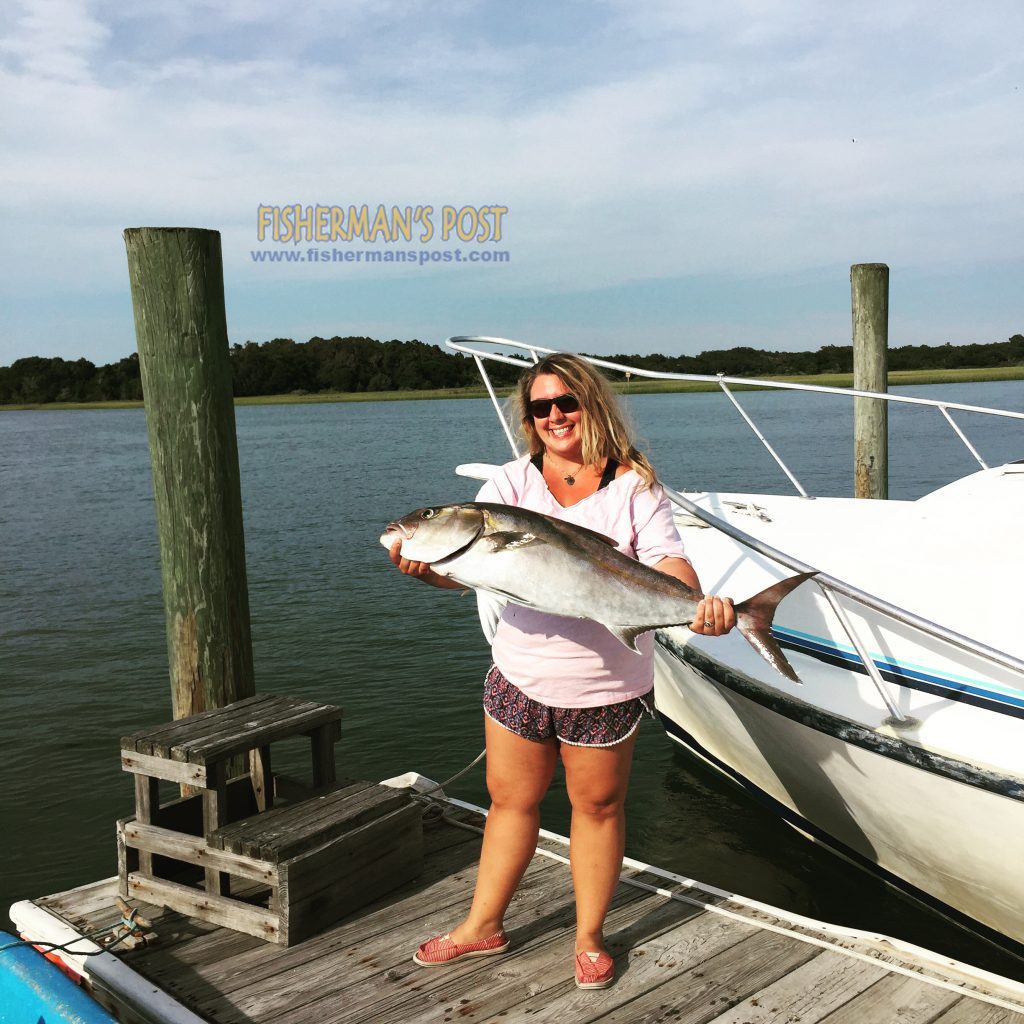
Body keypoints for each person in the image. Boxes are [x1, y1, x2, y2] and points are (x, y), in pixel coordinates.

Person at [388, 352, 735, 989]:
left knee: (597, 808)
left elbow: (671, 565)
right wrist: (428, 567)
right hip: (520, 677)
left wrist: (699, 606)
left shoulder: (635, 487)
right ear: (529, 418)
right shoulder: (509, 488)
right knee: (509, 803)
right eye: (540, 407)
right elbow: (469, 576)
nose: (554, 416)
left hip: (604, 686)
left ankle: (590, 936)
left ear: (591, 405)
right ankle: (481, 926)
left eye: (566, 402)